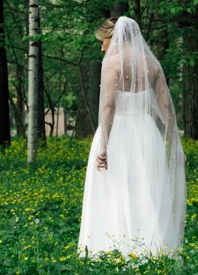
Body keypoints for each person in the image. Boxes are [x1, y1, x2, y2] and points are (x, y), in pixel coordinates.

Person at [78, 15, 186, 259]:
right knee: (145, 189)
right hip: (146, 133)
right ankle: (152, 247)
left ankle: (111, 247)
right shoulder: (152, 64)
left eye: (102, 41)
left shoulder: (112, 63)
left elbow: (108, 107)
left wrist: (104, 145)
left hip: (118, 133)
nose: (101, 46)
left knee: (115, 189)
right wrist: (175, 144)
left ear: (112, 37)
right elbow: (167, 108)